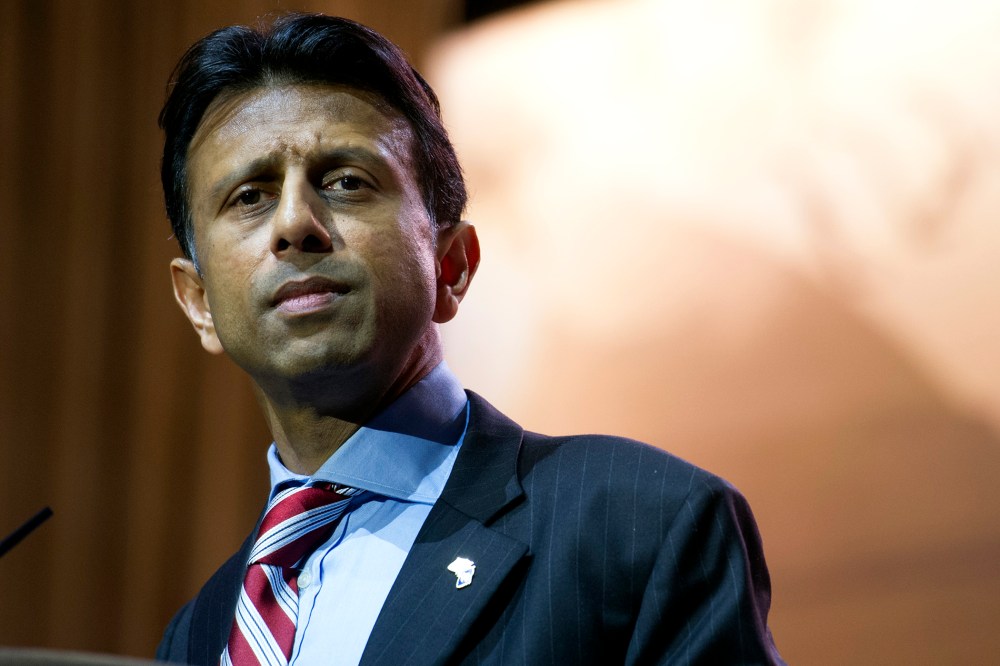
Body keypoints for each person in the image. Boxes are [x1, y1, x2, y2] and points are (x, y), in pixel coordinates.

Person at [154, 12, 784, 666]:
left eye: (346, 181)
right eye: (250, 196)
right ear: (199, 302)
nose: (294, 225)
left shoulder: (641, 525)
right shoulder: (196, 635)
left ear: (450, 266)